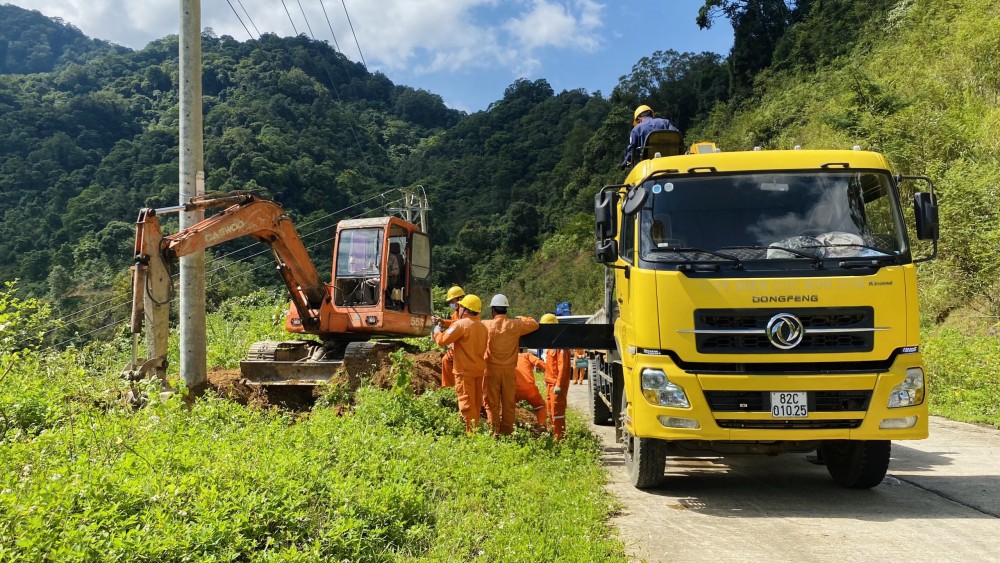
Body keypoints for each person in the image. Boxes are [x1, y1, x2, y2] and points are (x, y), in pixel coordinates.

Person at [483, 294, 540, 436]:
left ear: (493, 310)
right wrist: (521, 317)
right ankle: (507, 433)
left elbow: (470, 325)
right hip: (509, 372)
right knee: (508, 404)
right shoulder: (515, 325)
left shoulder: (486, 324)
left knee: (492, 404)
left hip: (491, 371)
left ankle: (494, 432)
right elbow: (534, 323)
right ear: (506, 309)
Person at [432, 294, 488, 433]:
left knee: (466, 404)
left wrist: (437, 331)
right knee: (475, 403)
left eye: (461, 307)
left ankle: (471, 435)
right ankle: (476, 430)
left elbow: (442, 341)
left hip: (464, 372)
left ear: (466, 310)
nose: (459, 308)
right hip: (478, 370)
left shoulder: (461, 324)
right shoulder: (482, 326)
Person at [540, 313, 572, 440]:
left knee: (557, 412)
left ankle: (560, 438)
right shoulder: (551, 344)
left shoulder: (560, 345)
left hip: (556, 385)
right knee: (550, 411)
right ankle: (553, 434)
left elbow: (562, 366)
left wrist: (558, 384)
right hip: (550, 383)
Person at [621, 104, 679, 169]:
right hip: (670, 161)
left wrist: (625, 161)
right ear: (651, 114)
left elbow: (631, 149)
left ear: (639, 118)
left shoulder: (636, 129)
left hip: (648, 166)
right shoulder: (665, 122)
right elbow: (677, 134)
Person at [433, 285, 465, 388]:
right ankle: (451, 386)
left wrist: (438, 332)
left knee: (447, 360)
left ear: (459, 299)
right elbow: (454, 323)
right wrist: (442, 321)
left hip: (462, 347)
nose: (451, 304)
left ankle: (449, 387)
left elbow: (458, 325)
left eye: (452, 301)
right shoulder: (457, 313)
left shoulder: (464, 313)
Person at [515, 351, 548, 426]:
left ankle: (512, 426)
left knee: (509, 408)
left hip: (513, 390)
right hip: (530, 389)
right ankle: (542, 425)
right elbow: (540, 363)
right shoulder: (526, 355)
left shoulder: (507, 358)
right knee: (541, 407)